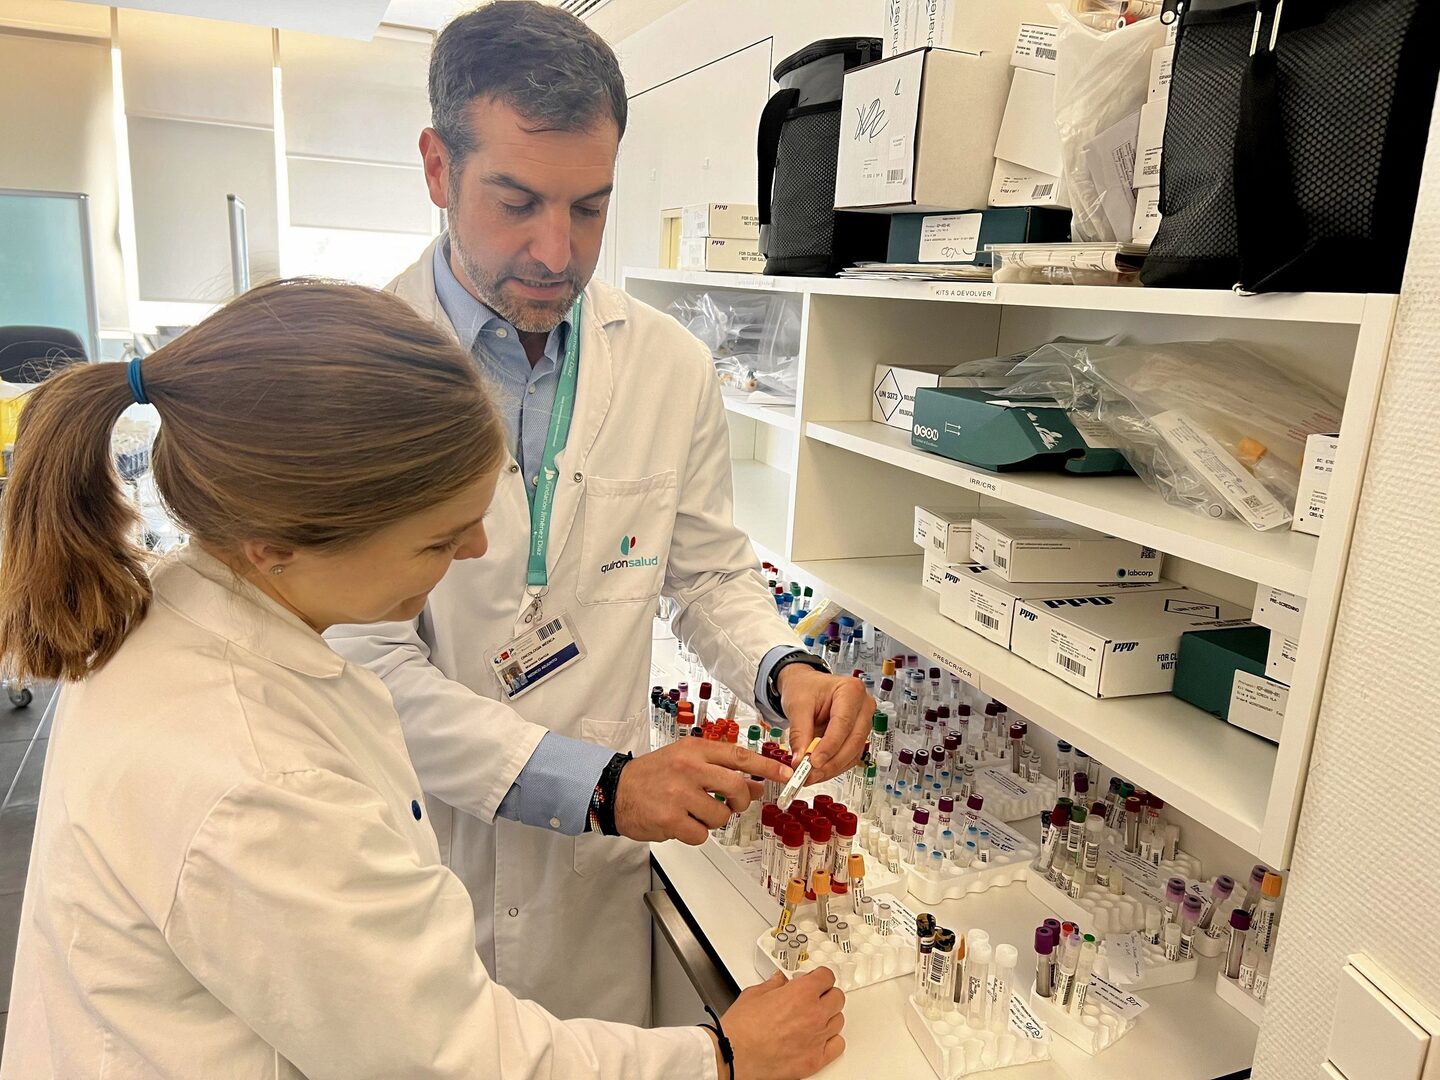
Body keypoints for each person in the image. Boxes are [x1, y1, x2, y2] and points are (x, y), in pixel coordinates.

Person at [0, 280, 845, 1079]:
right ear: (277, 545)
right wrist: (720, 1057)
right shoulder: (257, 779)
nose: (478, 552)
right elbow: (453, 1060)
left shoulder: (180, 608)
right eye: (439, 540)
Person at [326, 0, 875, 1026]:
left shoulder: (667, 364)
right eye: (518, 202)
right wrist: (602, 785)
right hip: (424, 853)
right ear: (439, 168)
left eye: (589, 208)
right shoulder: (360, 370)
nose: (556, 251)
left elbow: (707, 573)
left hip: (591, 893)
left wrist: (785, 669)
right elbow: (362, 661)